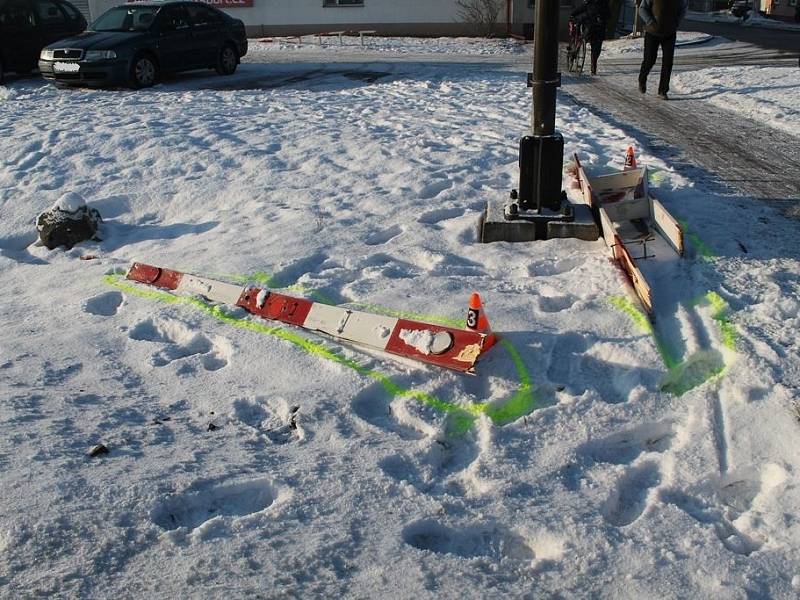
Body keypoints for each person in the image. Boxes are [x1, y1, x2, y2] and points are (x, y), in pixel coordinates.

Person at [637, 0, 687, 100]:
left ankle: (663, 91)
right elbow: (642, 9)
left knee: (668, 62)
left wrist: (676, 22)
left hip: (670, 33)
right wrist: (650, 21)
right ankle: (642, 78)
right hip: (652, 32)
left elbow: (683, 9)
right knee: (650, 59)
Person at [571, 0, 611, 76]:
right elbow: (581, 8)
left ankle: (593, 63)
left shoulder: (604, 4)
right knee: (585, 37)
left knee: (597, 48)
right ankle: (577, 49)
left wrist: (602, 18)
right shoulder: (589, 2)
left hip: (599, 28)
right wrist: (573, 14)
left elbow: (609, 15)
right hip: (590, 26)